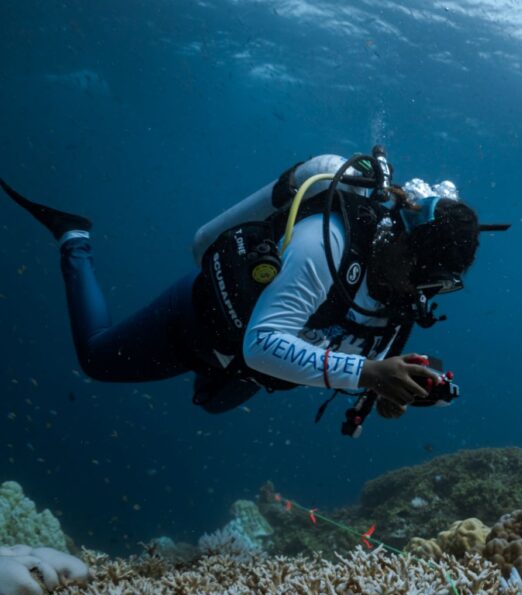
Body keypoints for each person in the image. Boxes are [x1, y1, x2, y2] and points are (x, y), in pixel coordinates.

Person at [1, 148, 487, 423]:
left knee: (213, 403)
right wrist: (368, 375)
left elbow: (355, 356)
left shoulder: (404, 292)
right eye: (422, 276)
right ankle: (74, 238)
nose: (420, 293)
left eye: (437, 286)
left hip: (241, 365)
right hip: (196, 325)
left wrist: (389, 389)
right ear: (402, 242)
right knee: (96, 358)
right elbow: (263, 345)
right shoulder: (327, 246)